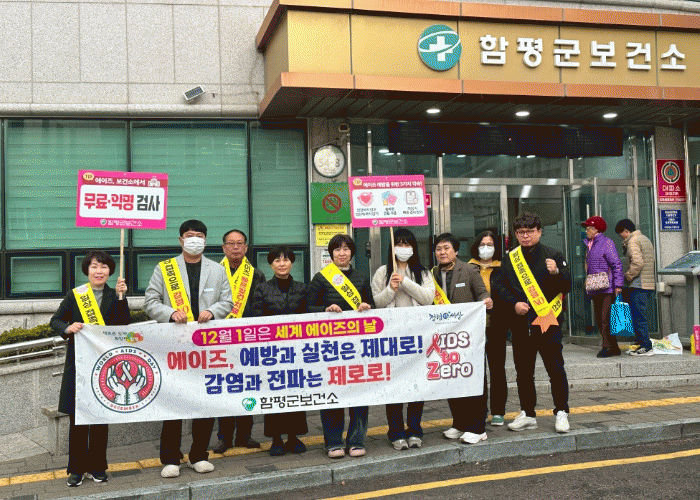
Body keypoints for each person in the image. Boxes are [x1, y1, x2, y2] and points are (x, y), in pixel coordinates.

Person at [143, 220, 233, 478]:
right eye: (190, 235)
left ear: (205, 240)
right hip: (175, 345)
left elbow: (227, 301)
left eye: (200, 235)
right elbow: (150, 302)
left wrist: (212, 311)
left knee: (204, 401)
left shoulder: (217, 269)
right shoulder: (165, 269)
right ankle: (171, 458)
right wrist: (170, 312)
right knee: (173, 401)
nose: (195, 239)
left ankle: (199, 455)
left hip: (206, 346)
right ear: (181, 240)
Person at [50, 250, 131, 487]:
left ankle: (98, 466)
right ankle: (76, 469)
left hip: (106, 368)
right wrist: (68, 328)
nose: (99, 271)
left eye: (104, 267)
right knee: (78, 420)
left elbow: (123, 326)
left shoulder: (115, 294)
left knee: (99, 419)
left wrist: (122, 298)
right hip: (79, 367)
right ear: (87, 270)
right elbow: (55, 321)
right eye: (94, 266)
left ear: (110, 271)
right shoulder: (76, 295)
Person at [493, 213, 571, 434]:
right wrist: (514, 303)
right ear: (516, 234)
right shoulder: (510, 259)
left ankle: (562, 411)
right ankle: (528, 413)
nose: (525, 236)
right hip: (521, 325)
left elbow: (567, 286)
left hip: (548, 322)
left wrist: (556, 272)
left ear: (539, 231)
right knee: (524, 372)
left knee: (555, 369)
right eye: (521, 232)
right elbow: (500, 288)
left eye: (530, 231)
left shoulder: (553, 255)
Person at [307, 234, 375, 459]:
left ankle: (356, 440)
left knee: (359, 393)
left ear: (352, 253)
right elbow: (308, 307)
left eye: (346, 249)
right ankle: (333, 441)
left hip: (357, 346)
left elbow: (373, 306)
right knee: (331, 392)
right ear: (331, 253)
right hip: (330, 347)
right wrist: (325, 310)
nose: (342, 253)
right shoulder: (320, 278)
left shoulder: (361, 278)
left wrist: (366, 307)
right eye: (337, 249)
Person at [371, 228, 435, 451]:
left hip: (418, 336)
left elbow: (428, 298)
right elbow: (376, 302)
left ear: (414, 248)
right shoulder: (382, 272)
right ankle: (396, 431)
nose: (403, 248)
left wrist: (406, 282)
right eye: (399, 244)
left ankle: (415, 430)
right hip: (392, 337)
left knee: (417, 385)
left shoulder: (423, 272)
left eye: (407, 244)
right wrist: (391, 288)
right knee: (395, 386)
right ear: (392, 247)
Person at [432, 233, 492, 444]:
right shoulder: (432, 273)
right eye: (439, 249)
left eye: (447, 248)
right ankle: (459, 423)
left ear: (456, 251)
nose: (442, 252)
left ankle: (477, 427)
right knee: (451, 379)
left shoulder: (468, 270)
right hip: (445, 339)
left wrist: (487, 301)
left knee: (474, 379)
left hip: (469, 337)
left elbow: (482, 293)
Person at [252, 245, 309, 456]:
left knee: (295, 392)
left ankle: (294, 436)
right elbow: (256, 318)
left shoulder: (302, 288)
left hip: (297, 351)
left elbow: (309, 317)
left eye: (286, 259)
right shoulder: (262, 289)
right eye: (277, 260)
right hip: (272, 352)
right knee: (274, 393)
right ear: (270, 265)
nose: (282, 264)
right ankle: (276, 438)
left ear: (292, 263)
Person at [213, 229, 266, 454]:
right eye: (231, 243)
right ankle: (224, 437)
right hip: (220, 340)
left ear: (246, 248)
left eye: (240, 243)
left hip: (247, 340)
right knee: (225, 389)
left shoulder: (256, 274)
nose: (235, 247)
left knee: (248, 388)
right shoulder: (213, 272)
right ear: (223, 247)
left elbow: (260, 306)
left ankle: (245, 434)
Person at [468, 230, 508, 427]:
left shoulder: (504, 267)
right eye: (482, 244)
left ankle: (498, 411)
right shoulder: (468, 268)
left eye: (490, 244)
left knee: (497, 369)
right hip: (474, 328)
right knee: (477, 371)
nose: (485, 248)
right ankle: (479, 411)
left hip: (496, 325)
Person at [582, 216, 624, 358]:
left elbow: (616, 264)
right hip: (595, 286)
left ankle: (607, 347)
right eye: (586, 228)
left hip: (607, 287)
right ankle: (614, 347)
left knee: (605, 318)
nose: (587, 231)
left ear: (597, 229)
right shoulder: (589, 244)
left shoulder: (607, 243)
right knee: (600, 319)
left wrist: (618, 285)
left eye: (589, 228)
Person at [615, 219, 656, 356]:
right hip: (647, 283)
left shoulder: (633, 241)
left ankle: (645, 346)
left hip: (639, 284)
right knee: (639, 315)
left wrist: (627, 276)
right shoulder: (644, 239)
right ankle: (640, 343)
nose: (621, 237)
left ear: (626, 231)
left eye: (621, 234)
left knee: (638, 316)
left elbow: (637, 263)